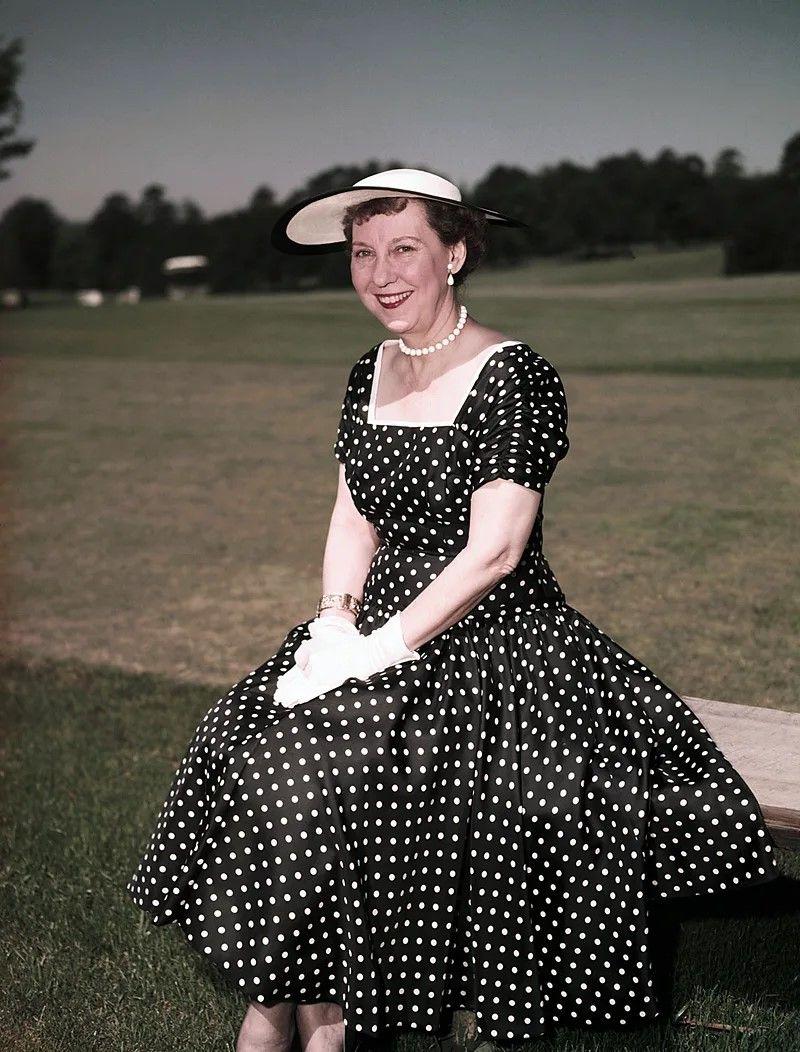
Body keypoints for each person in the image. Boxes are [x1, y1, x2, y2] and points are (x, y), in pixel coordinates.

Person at [126, 168, 781, 1052]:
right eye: (364, 254)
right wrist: (331, 621)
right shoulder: (371, 368)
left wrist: (378, 650)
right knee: (251, 751)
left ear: (456, 253)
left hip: (496, 638)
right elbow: (353, 512)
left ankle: (296, 1012)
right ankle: (310, 1006)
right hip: (379, 623)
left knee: (315, 776)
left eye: (406, 249)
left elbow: (496, 552)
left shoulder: (516, 375)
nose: (382, 273)